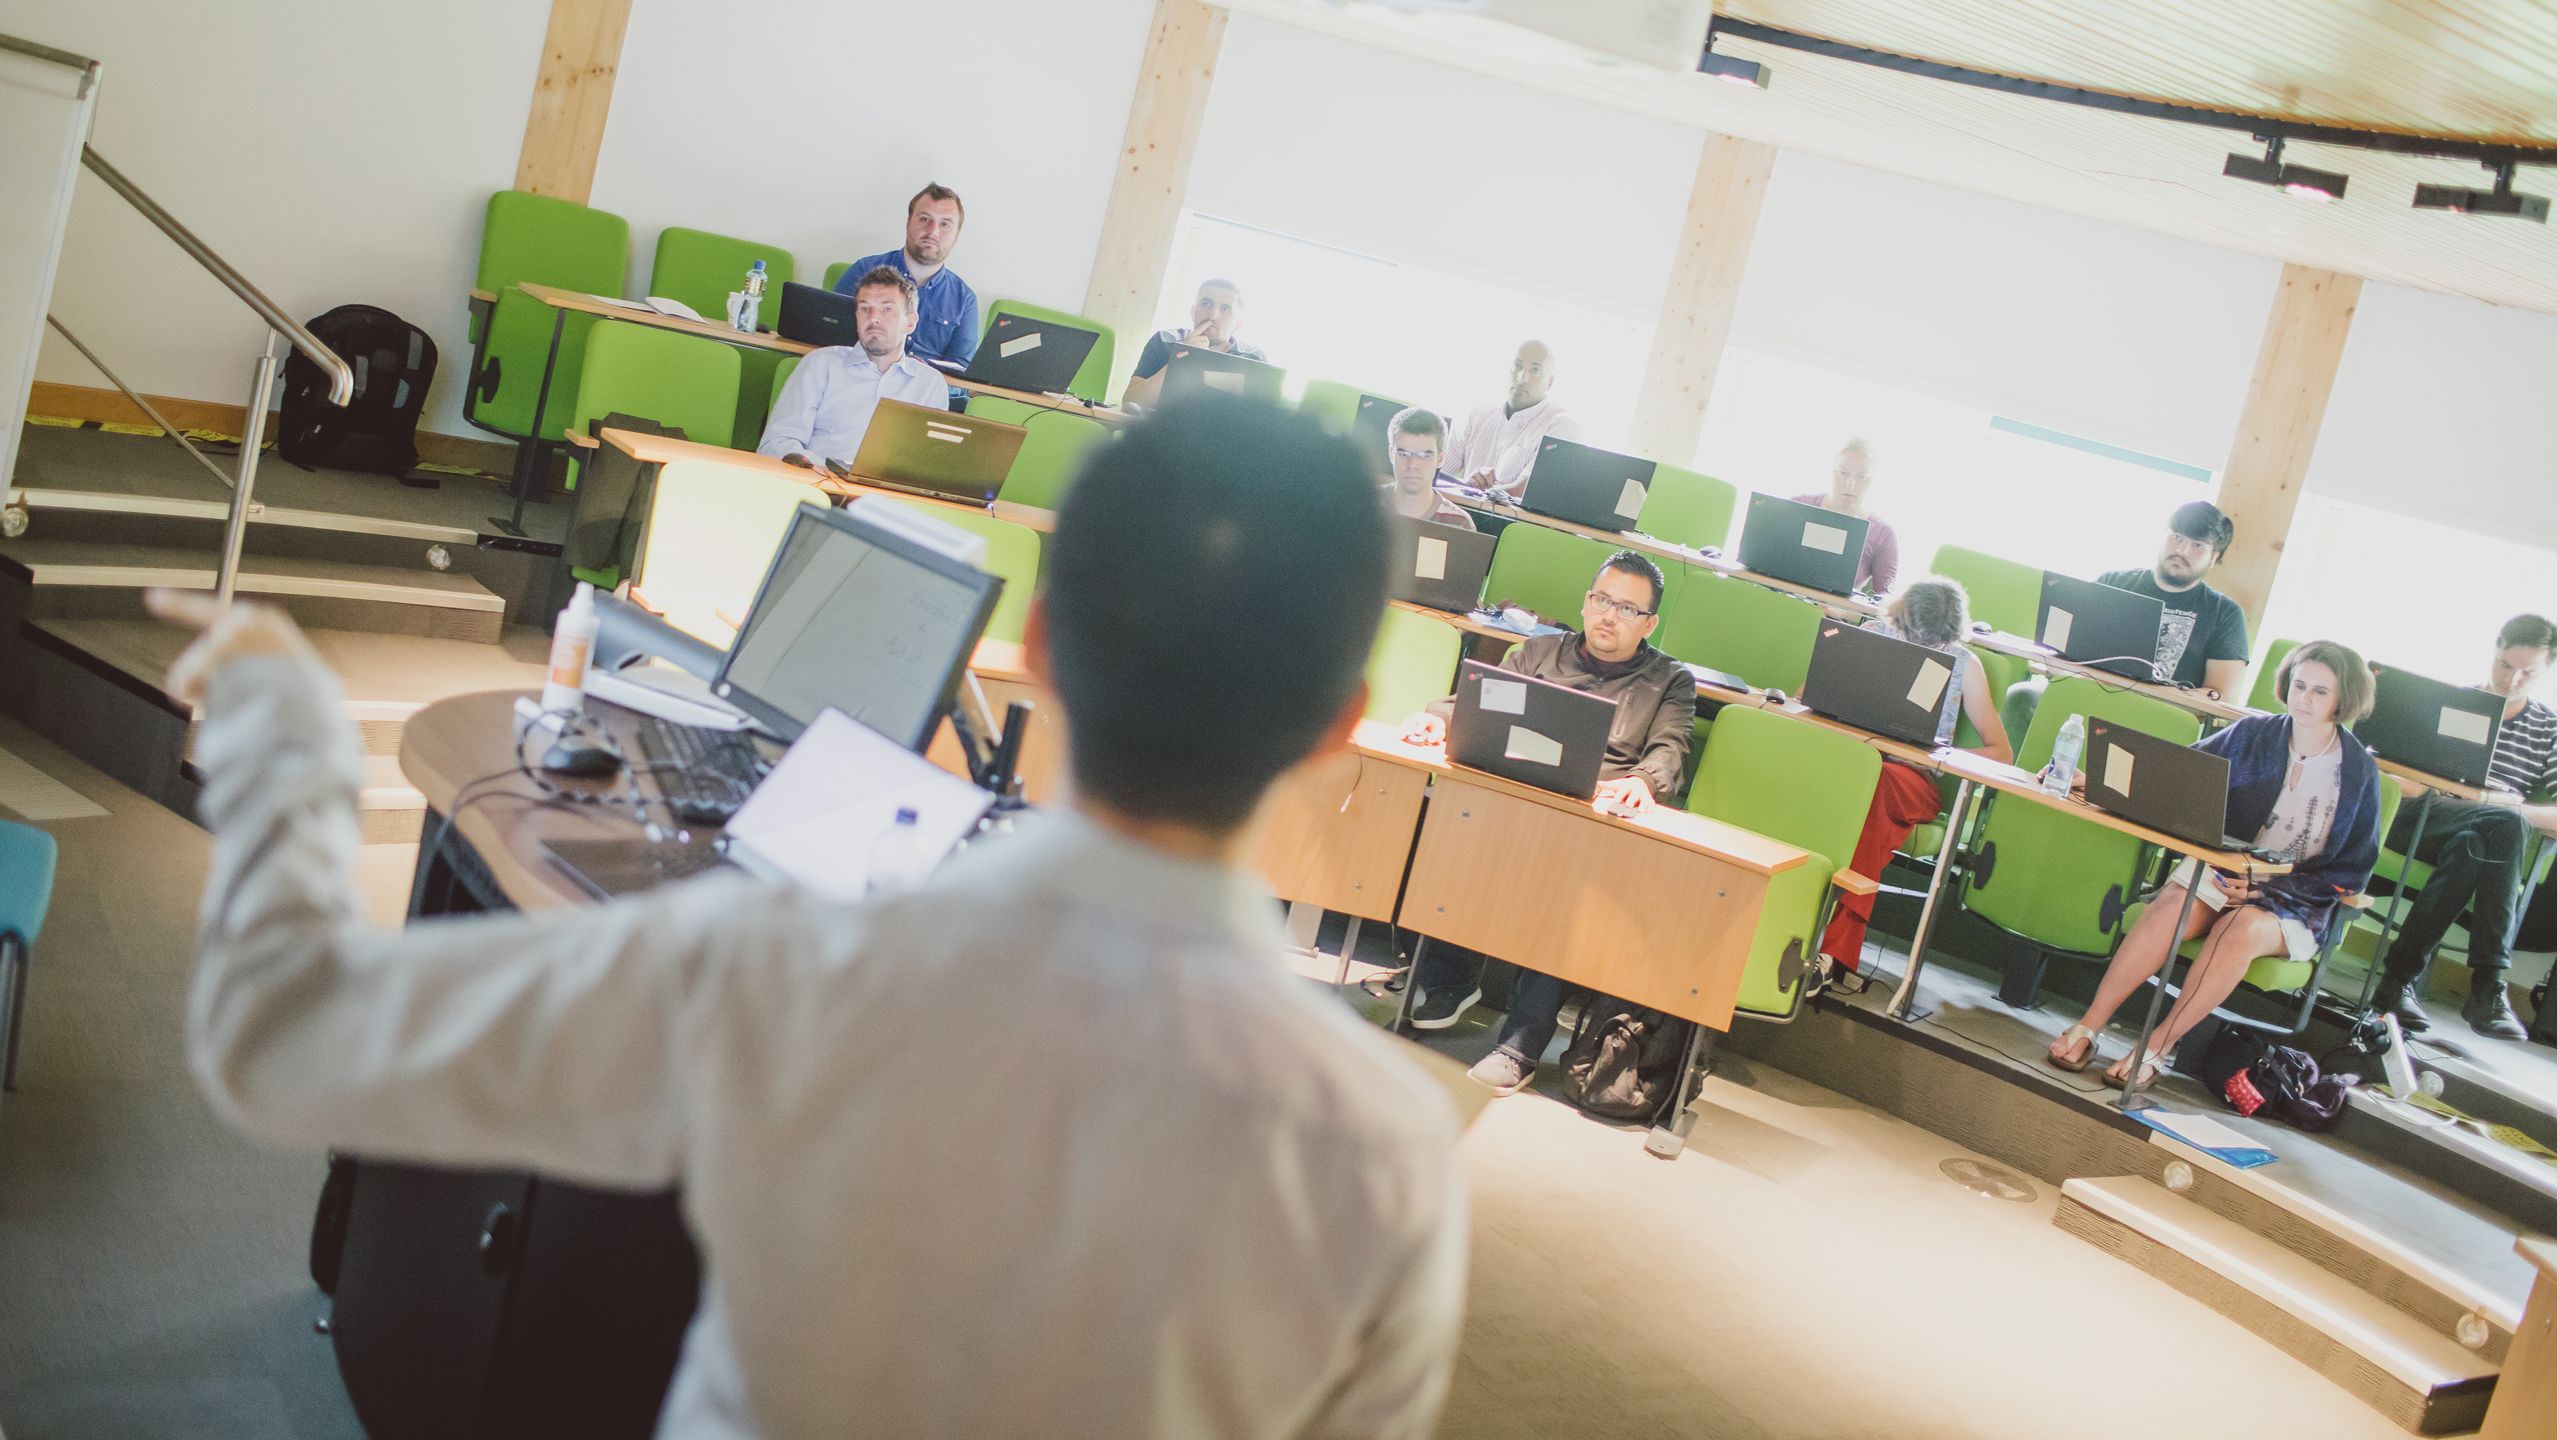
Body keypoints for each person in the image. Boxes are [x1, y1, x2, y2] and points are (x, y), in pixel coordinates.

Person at [153, 394, 1467, 1439]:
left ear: (1047, 645)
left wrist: (291, 741)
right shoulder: (1389, 1157)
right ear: (1342, 726)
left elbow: (281, 1037)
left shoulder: (791, 968)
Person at [1398, 551, 1696, 1094]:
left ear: (1649, 624)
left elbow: (1670, 749)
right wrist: (1433, 719)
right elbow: (1473, 699)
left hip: (1591, 825)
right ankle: (1447, 981)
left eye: (1628, 609)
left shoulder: (1669, 680)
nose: (1610, 616)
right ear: (1586, 601)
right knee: (1450, 829)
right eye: (1603, 600)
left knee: (1565, 884)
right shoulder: (1536, 652)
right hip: (1511, 798)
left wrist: (1644, 781)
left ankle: (1521, 1044)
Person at [2045, 640, 2383, 1089]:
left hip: (2298, 900)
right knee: (2171, 908)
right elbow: (2177, 775)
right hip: (2225, 869)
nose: (2304, 699)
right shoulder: (2252, 734)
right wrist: (2099, 783)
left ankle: (2156, 1047)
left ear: (2345, 699)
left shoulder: (2359, 771)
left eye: (2320, 691)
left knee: (2238, 929)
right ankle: (2089, 1025)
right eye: (2299, 685)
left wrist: (2262, 891)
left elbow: (2352, 872)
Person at [2370, 614, 2557, 1042]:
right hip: (2419, 817)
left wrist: (2504, 810)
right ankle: (2488, 986)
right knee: (2496, 826)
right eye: (2505, 665)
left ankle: (2396, 982)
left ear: (2547, 671)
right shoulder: (2455, 702)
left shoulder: (2549, 729)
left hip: (2478, 833)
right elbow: (2396, 774)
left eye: (2528, 672)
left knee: (2478, 841)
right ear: (2494, 651)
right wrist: (2497, 809)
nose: (2513, 679)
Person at [1817, 577, 2011, 974]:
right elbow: (1812, 696)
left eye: (1933, 644)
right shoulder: (1871, 635)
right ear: (1898, 618)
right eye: (1909, 635)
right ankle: (1826, 950)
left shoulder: (1964, 664)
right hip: (1851, 762)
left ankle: (1833, 950)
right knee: (1857, 783)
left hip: (1910, 779)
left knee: (1879, 788)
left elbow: (2001, 752)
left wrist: (1937, 753)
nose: (1919, 646)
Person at [757, 265, 949, 467]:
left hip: (891, 496)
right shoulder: (821, 365)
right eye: (865, 308)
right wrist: (826, 470)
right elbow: (775, 443)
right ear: (857, 318)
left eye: (887, 309)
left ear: (910, 323)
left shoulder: (930, 384)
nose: (874, 318)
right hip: (820, 485)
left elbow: (930, 464)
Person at [2098, 500, 2252, 696]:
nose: (2182, 551)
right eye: (2177, 537)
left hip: (2163, 717)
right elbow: (2070, 651)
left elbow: (2219, 695)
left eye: (2197, 545)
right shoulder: (2112, 583)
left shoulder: (2224, 613)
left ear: (2213, 558)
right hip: (2094, 698)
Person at [834, 182, 979, 378]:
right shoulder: (863, 271)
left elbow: (961, 374)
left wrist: (925, 378)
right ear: (909, 222)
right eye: (924, 219)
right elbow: (831, 337)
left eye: (945, 224)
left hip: (924, 396)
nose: (933, 231)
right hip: (858, 379)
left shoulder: (965, 299)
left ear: (956, 235)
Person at [1446, 340, 1578, 496]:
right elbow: (1437, 472)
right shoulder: (1478, 413)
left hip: (1511, 520)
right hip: (1461, 513)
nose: (1522, 377)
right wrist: (1466, 487)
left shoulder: (1562, 426)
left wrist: (1469, 490)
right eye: (1518, 366)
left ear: (1549, 382)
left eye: (1535, 370)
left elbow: (1524, 491)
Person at [1121, 278, 1266, 410]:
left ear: (1238, 324)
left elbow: (1260, 419)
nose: (1213, 315)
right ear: (1193, 311)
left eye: (1225, 308)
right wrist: (1182, 355)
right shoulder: (1164, 341)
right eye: (1206, 304)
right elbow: (1132, 402)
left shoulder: (1252, 358)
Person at [1789, 438, 1898, 594]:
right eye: (1843, 473)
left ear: (1872, 480)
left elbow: (1883, 606)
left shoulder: (1883, 534)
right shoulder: (1798, 507)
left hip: (1832, 616)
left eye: (1861, 476)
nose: (1850, 484)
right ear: (1832, 472)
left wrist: (1842, 613)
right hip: (1782, 604)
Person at [1381, 406, 1475, 530]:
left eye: (1424, 456)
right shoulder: (1361, 503)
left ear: (1440, 459)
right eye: (1404, 454)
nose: (1413, 464)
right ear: (1391, 454)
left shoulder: (1460, 523)